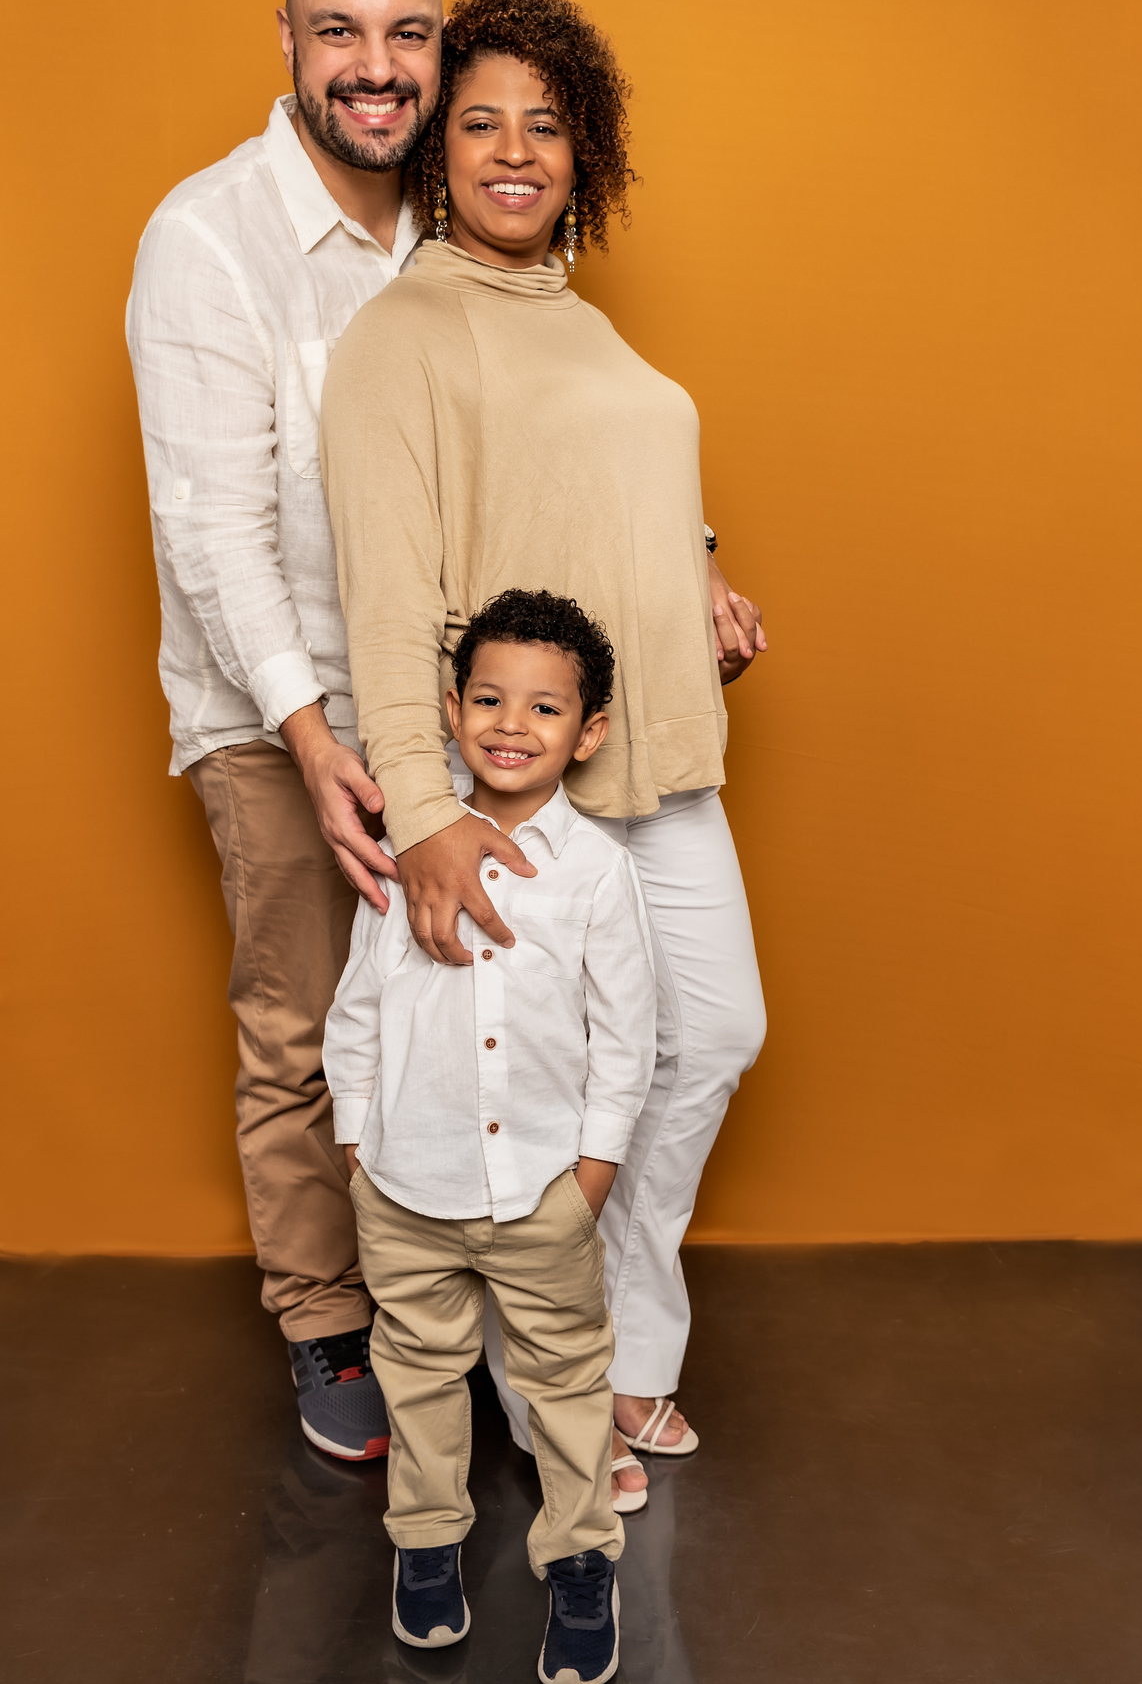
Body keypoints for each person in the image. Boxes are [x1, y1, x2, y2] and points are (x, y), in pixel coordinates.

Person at [321, 0, 768, 1501]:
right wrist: (424, 809)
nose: (516, 151)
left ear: (587, 152)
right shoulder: (400, 336)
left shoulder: (577, 314)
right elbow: (388, 598)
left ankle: (619, 1342)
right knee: (544, 1082)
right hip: (514, 786)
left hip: (655, 749)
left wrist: (696, 564)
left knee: (705, 1040)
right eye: (482, 123)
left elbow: (606, 472)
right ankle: (558, 1384)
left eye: (548, 125)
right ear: (437, 149)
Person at [125, 0, 444, 1459]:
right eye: (341, 32)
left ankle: (454, 1307)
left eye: (407, 33)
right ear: (289, 43)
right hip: (274, 709)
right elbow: (214, 534)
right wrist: (315, 745)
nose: (375, 68)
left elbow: (559, 421)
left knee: (464, 1018)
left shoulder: (473, 214)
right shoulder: (206, 239)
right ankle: (326, 1318)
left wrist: (691, 551)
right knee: (302, 1025)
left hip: (448, 705)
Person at [324, 590, 656, 1684]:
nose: (512, 724)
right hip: (404, 1189)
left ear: (587, 733)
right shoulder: (403, 851)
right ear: (452, 709)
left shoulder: (596, 871)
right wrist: (361, 1148)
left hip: (543, 1192)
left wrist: (592, 1172)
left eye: (545, 707)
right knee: (418, 1373)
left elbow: (627, 1036)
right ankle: (425, 1546)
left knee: (566, 1383)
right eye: (488, 699)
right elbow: (358, 1011)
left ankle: (580, 1560)